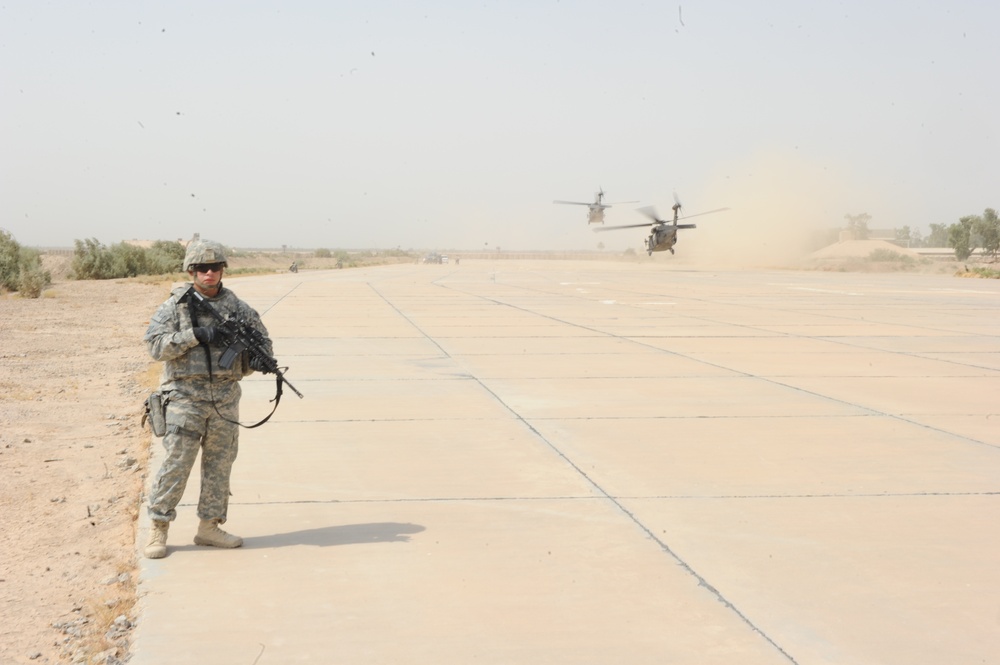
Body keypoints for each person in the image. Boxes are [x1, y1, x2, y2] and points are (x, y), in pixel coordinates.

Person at [143, 239, 274, 559]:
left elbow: (262, 343)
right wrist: (194, 336)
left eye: (216, 267)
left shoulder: (238, 308)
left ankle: (209, 526)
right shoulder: (175, 306)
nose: (210, 273)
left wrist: (260, 362)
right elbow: (156, 347)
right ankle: (158, 527)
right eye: (202, 268)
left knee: (219, 467)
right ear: (191, 271)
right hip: (185, 398)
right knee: (176, 465)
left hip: (225, 399)